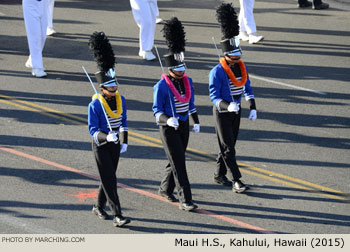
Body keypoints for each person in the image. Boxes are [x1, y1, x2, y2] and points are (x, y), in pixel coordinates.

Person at [153, 17, 200, 211]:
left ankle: (165, 188)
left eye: (183, 68)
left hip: (183, 125)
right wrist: (167, 119)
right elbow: (156, 111)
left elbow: (190, 103)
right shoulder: (161, 86)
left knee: (177, 158)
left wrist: (195, 120)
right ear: (171, 69)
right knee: (180, 163)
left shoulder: (187, 82)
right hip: (169, 127)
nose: (182, 71)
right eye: (178, 69)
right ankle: (185, 199)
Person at [209, 3, 257, 193]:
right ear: (226, 55)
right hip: (222, 111)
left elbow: (247, 86)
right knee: (229, 147)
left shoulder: (241, 67)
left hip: (237, 110)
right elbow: (214, 95)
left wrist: (252, 105)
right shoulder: (217, 71)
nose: (238, 60)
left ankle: (219, 174)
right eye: (234, 56)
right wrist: (227, 106)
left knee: (228, 145)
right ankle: (237, 180)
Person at [88, 32, 130, 227]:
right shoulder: (95, 105)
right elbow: (93, 130)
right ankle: (118, 215)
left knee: (108, 177)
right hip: (102, 146)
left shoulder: (121, 101)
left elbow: (124, 122)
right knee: (111, 181)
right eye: (110, 88)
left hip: (115, 145)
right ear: (103, 88)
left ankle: (98, 206)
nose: (114, 91)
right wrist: (107, 137)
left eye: (115, 87)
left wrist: (124, 140)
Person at [23, 0, 48, 77]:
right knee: (35, 35)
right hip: (30, 3)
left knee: (43, 35)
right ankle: (36, 67)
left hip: (44, 3)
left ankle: (32, 60)